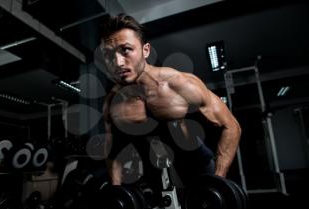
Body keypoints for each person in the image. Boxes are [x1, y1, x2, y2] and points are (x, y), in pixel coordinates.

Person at [99, 13, 241, 188]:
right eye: (108, 54)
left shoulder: (179, 84)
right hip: (154, 173)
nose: (118, 62)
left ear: (146, 50)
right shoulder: (112, 102)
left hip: (198, 168)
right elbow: (112, 152)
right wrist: (116, 189)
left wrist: (218, 180)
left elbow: (232, 126)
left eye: (125, 50)